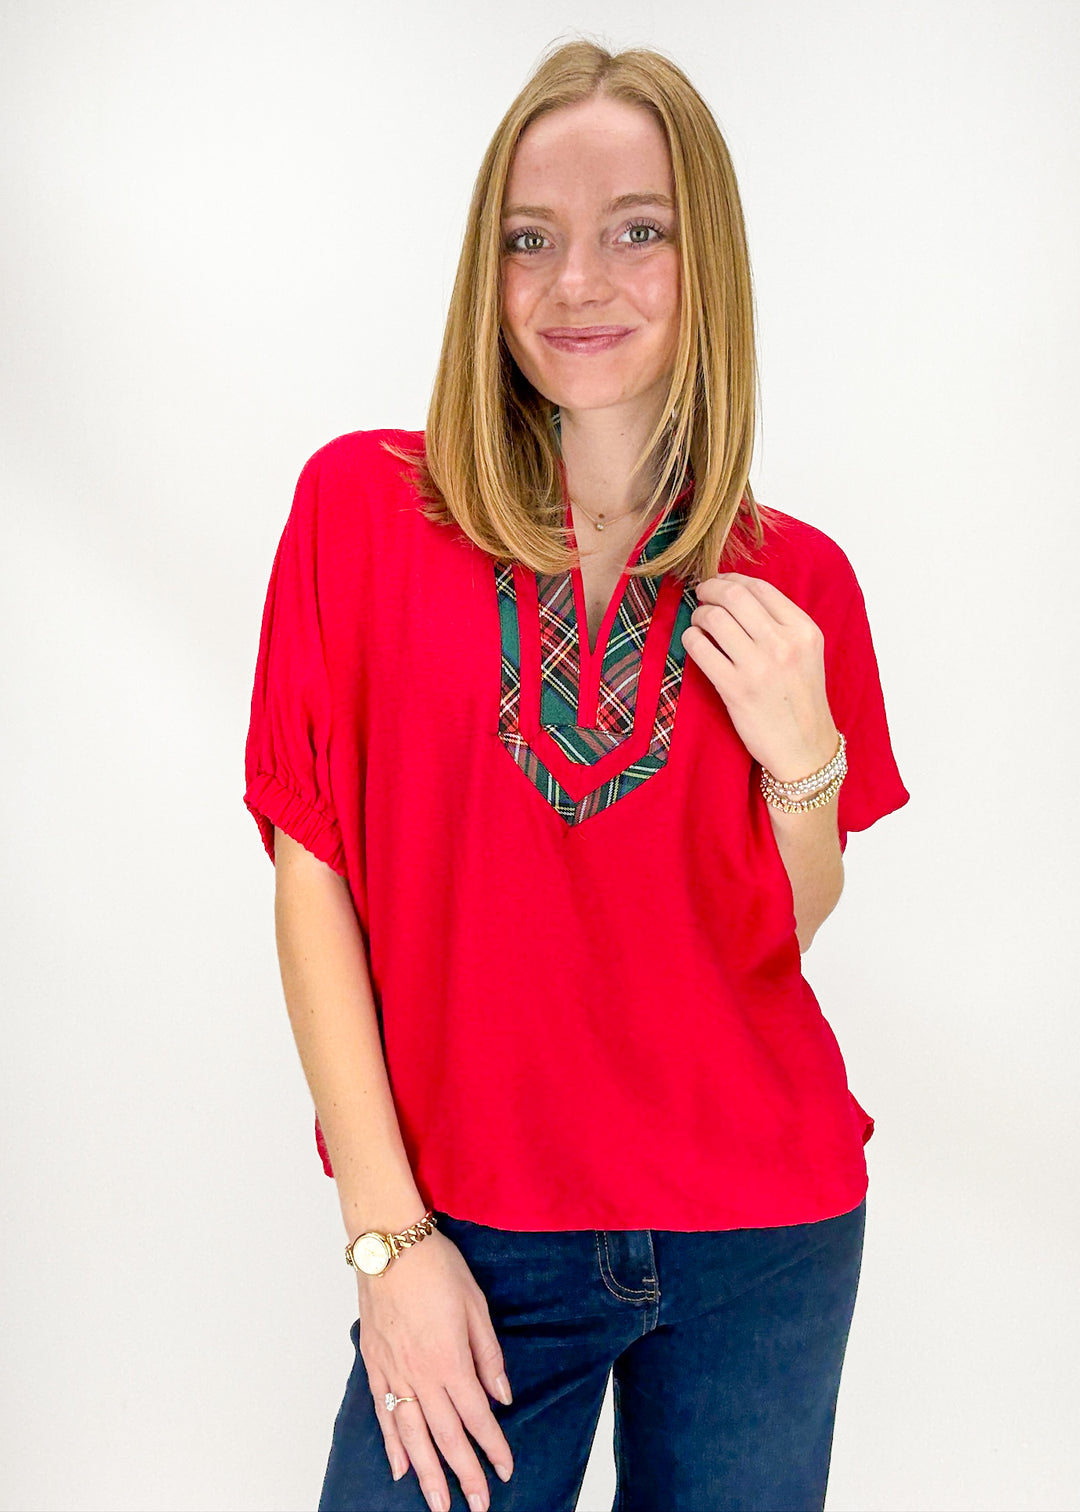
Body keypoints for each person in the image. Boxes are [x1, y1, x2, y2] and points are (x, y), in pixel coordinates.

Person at [243, 36, 910, 1512]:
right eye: (529, 240)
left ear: (706, 264)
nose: (575, 285)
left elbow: (778, 931)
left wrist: (806, 758)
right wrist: (389, 1243)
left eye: (637, 233)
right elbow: (313, 873)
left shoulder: (796, 583)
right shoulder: (359, 510)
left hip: (762, 1243)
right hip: (469, 1232)